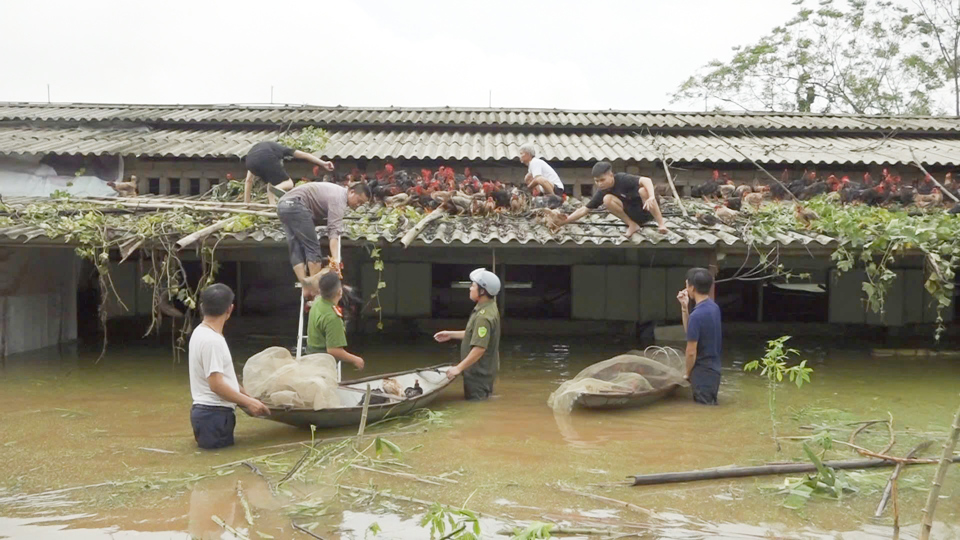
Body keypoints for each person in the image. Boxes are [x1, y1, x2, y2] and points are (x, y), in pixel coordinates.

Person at [189, 284, 270, 449]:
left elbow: (226, 378)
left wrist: (248, 397)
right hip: (214, 415)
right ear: (230, 309)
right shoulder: (213, 341)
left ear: (202, 307)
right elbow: (216, 384)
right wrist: (249, 403)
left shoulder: (200, 332)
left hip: (207, 415)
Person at [277, 181, 371, 297]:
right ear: (351, 192)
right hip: (296, 205)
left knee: (295, 246)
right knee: (313, 248)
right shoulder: (339, 200)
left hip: (283, 205)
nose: (358, 205)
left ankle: (305, 286)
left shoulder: (336, 191)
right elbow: (333, 233)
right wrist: (336, 259)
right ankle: (315, 291)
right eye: (359, 201)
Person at [433, 268, 502, 401]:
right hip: (482, 371)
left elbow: (480, 348)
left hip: (478, 374)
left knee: (477, 409)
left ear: (482, 291)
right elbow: (475, 335)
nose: (470, 288)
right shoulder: (488, 307)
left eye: (473, 285)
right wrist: (450, 334)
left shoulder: (484, 317)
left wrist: (458, 368)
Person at [560, 161, 668, 236]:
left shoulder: (622, 178)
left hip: (647, 209)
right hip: (633, 215)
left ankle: (661, 224)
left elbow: (647, 180)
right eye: (596, 181)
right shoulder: (603, 191)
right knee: (607, 199)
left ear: (611, 175)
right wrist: (564, 221)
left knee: (643, 190)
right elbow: (584, 209)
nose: (599, 184)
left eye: (602, 180)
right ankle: (632, 225)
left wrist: (652, 197)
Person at [677, 268, 722, 405]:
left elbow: (691, 352)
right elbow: (690, 331)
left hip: (702, 373)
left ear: (692, 287)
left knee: (704, 413)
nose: (686, 288)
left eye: (687, 285)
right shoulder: (713, 308)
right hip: (714, 371)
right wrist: (684, 308)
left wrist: (687, 373)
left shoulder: (697, 315)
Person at [243, 141, 335, 205]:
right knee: (289, 183)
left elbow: (248, 180)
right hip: (267, 158)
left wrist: (246, 203)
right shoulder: (282, 149)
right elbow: (305, 155)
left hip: (250, 162)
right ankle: (276, 189)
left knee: (271, 181)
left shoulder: (258, 150)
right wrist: (323, 163)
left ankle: (272, 204)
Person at [306, 272, 365, 371]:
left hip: (310, 359)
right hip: (323, 366)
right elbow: (333, 350)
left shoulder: (317, 302)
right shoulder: (332, 318)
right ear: (339, 292)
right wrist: (356, 360)